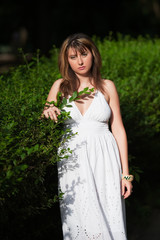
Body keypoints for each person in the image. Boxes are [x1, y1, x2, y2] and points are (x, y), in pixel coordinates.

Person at [42, 33, 133, 240]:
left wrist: (125, 174)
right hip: (72, 160)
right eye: (73, 57)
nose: (80, 61)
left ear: (93, 54)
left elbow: (118, 128)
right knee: (78, 216)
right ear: (66, 60)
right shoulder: (60, 86)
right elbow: (46, 112)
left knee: (109, 214)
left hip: (105, 158)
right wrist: (48, 111)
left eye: (84, 54)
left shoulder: (107, 86)